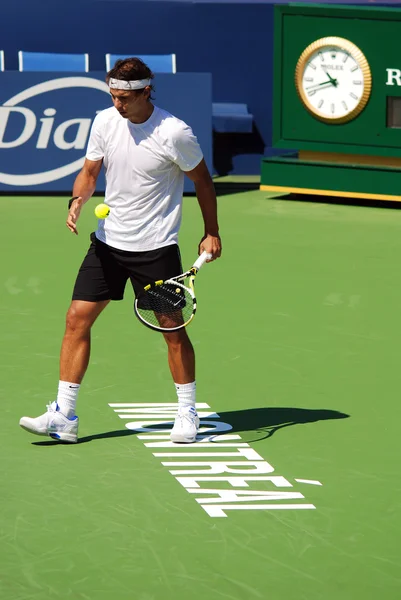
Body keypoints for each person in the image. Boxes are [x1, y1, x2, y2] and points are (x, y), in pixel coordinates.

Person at [19, 57, 221, 444]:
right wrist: (78, 198)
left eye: (124, 98)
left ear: (146, 92)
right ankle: (64, 415)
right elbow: (90, 171)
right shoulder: (104, 121)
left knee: (172, 332)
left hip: (156, 249)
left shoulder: (174, 132)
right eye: (112, 96)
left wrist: (211, 232)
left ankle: (187, 412)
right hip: (108, 246)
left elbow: (204, 182)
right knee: (76, 319)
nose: (117, 105)